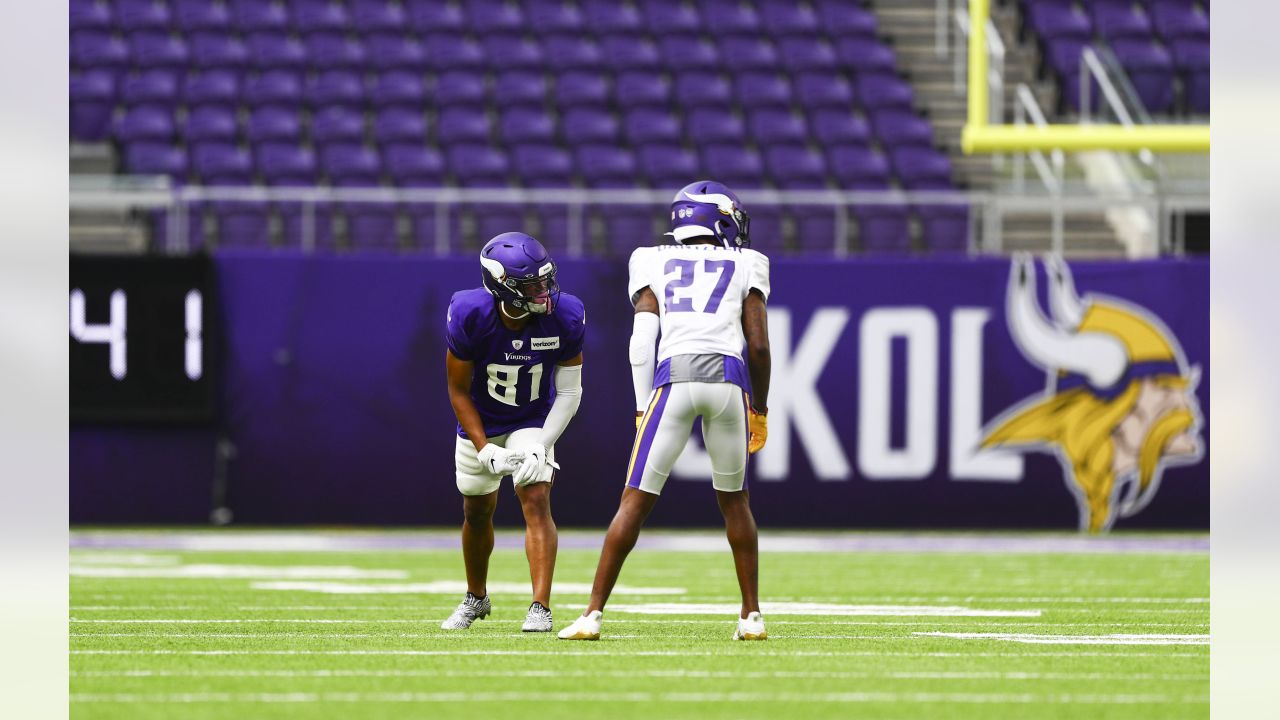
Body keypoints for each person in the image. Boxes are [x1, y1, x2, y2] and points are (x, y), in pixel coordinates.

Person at [559, 181, 771, 641]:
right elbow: (758, 345)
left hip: (673, 381)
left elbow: (640, 344)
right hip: (729, 381)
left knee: (634, 501)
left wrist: (641, 408)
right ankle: (751, 615)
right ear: (717, 218)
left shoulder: (650, 258)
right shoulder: (746, 263)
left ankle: (592, 614)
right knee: (735, 501)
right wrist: (761, 408)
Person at [440, 232, 586, 633]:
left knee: (536, 498)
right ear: (501, 287)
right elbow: (457, 390)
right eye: (531, 285)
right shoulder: (469, 312)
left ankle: (540, 606)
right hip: (480, 423)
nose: (543, 292)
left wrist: (543, 443)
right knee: (477, 510)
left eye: (545, 280)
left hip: (532, 421)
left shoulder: (565, 314)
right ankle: (476, 596)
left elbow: (571, 392)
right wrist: (484, 447)